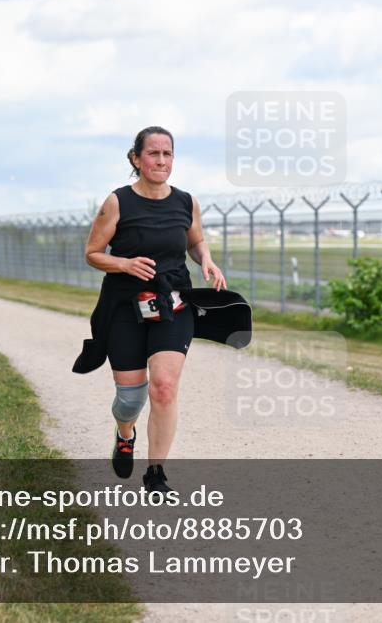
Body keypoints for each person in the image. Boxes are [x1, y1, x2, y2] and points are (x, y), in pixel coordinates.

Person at [78, 126, 252, 496]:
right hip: (125, 307)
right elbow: (93, 253)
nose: (161, 160)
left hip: (174, 304)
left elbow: (195, 241)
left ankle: (155, 473)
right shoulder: (117, 202)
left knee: (165, 387)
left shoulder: (186, 201)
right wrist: (124, 265)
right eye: (153, 153)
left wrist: (207, 260)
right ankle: (125, 434)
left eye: (167, 154)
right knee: (129, 400)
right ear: (136, 159)